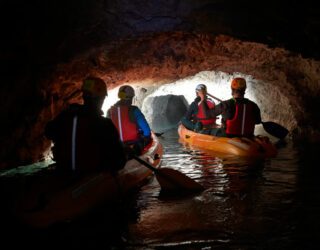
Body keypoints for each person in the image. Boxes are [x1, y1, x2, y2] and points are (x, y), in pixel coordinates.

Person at [45, 76, 127, 176]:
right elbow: (120, 161)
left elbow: (48, 131)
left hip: (64, 172)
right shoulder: (104, 124)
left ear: (84, 97)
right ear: (100, 99)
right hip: (91, 176)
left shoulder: (66, 115)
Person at [107, 85, 152, 155]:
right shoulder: (134, 110)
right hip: (133, 145)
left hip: (116, 145)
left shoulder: (109, 111)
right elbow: (147, 131)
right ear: (130, 97)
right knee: (147, 136)